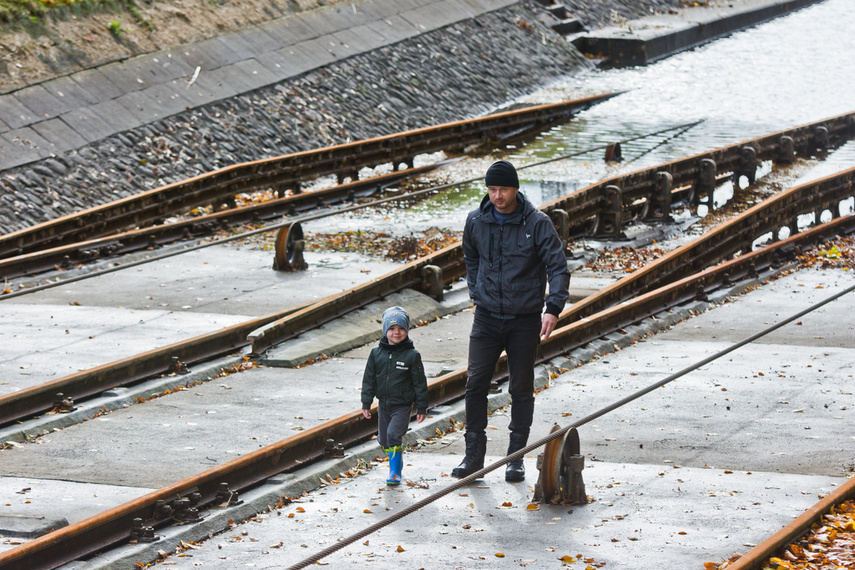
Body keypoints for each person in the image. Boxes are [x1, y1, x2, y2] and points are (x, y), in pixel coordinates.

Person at [453, 160, 570, 482]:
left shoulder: (537, 223)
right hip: (487, 318)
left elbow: (558, 268)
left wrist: (553, 307)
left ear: (516, 189)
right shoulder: (476, 220)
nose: (497, 196)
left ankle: (515, 459)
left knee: (520, 386)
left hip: (524, 319)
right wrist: (476, 292)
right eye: (492, 189)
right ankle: (473, 457)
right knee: (475, 384)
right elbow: (471, 258)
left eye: (503, 189)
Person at [361, 306, 429, 485]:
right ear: (385, 331)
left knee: (393, 435)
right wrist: (366, 403)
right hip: (384, 404)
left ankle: (394, 472)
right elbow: (368, 380)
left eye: (401, 329)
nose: (396, 333)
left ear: (407, 330)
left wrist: (421, 407)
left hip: (402, 405)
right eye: (391, 328)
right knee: (384, 440)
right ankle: (396, 461)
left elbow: (420, 383)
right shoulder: (376, 354)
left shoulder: (412, 355)